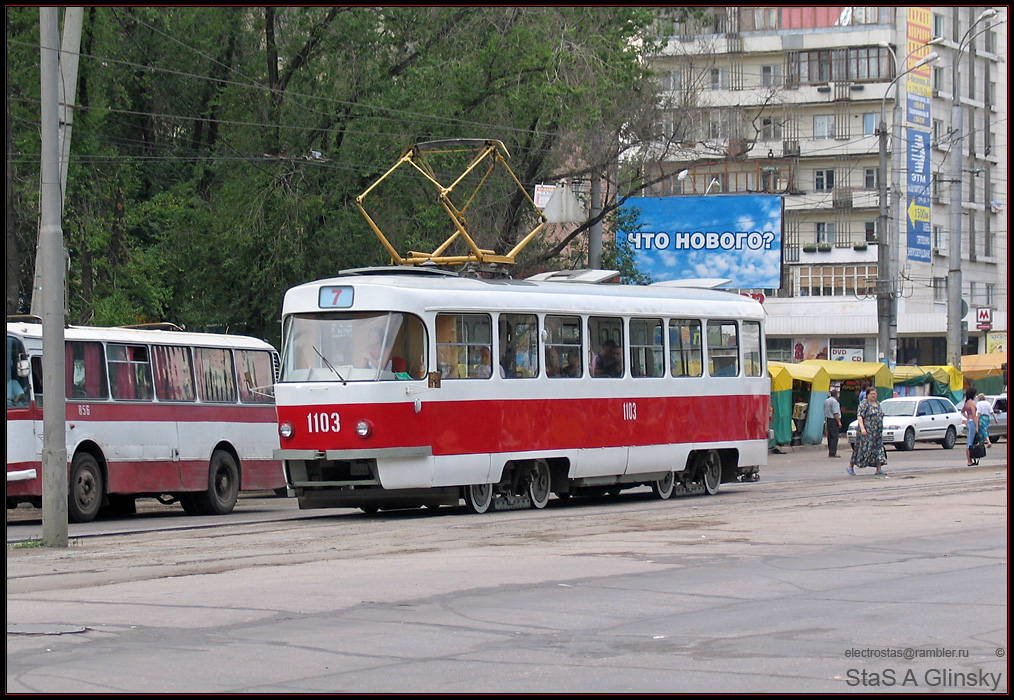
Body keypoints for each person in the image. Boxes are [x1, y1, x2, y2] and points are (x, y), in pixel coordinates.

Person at [848, 388, 884, 475]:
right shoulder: (864, 404)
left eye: (875, 394)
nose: (873, 395)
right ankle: (851, 467)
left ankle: (878, 469)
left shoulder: (878, 404)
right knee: (860, 449)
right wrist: (862, 428)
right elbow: (860, 416)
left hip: (877, 433)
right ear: (867, 395)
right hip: (866, 432)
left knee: (879, 449)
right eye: (871, 394)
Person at [960, 387, 979, 466]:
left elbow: (962, 411)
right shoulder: (972, 403)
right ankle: (969, 460)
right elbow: (974, 415)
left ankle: (970, 460)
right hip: (972, 422)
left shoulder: (966, 402)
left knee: (970, 440)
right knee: (970, 442)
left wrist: (967, 417)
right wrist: (977, 426)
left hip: (968, 421)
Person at [823, 389, 842, 458]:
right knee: (835, 436)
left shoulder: (826, 401)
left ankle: (830, 451)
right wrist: (839, 422)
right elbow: (835, 413)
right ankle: (833, 452)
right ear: (836, 395)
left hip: (828, 419)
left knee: (830, 436)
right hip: (833, 420)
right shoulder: (835, 402)